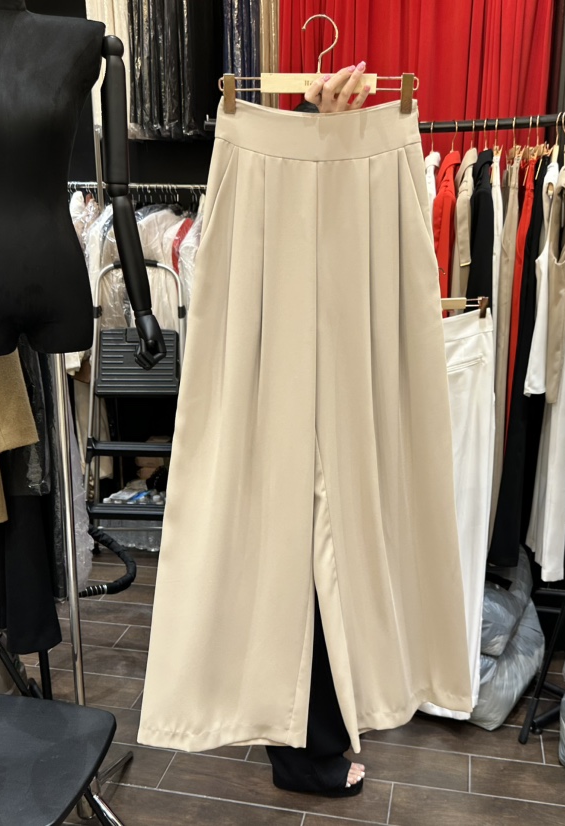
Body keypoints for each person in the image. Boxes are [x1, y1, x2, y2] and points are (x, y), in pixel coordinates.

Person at [264, 62, 372, 797]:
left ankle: (302, 734)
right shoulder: (262, 164)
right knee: (305, 553)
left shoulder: (268, 173)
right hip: (298, 363)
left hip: (299, 355)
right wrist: (312, 125)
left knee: (307, 552)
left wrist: (316, 124)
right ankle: (305, 749)